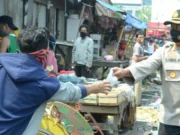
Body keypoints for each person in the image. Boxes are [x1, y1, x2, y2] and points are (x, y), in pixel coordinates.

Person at [0, 26, 111, 135]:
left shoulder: (2, 65)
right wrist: (95, 87)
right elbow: (71, 92)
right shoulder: (42, 84)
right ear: (44, 54)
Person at [112, 9, 180, 135]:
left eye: (178, 26)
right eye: (173, 26)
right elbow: (146, 66)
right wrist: (124, 72)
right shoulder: (165, 51)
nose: (175, 30)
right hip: (170, 121)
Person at [131, 32, 148, 106]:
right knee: (137, 86)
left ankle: (137, 102)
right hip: (136, 67)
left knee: (138, 86)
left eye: (142, 37)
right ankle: (137, 103)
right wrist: (145, 58)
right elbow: (136, 58)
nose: (141, 39)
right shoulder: (137, 46)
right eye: (140, 37)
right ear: (136, 38)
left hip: (139, 67)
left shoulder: (140, 46)